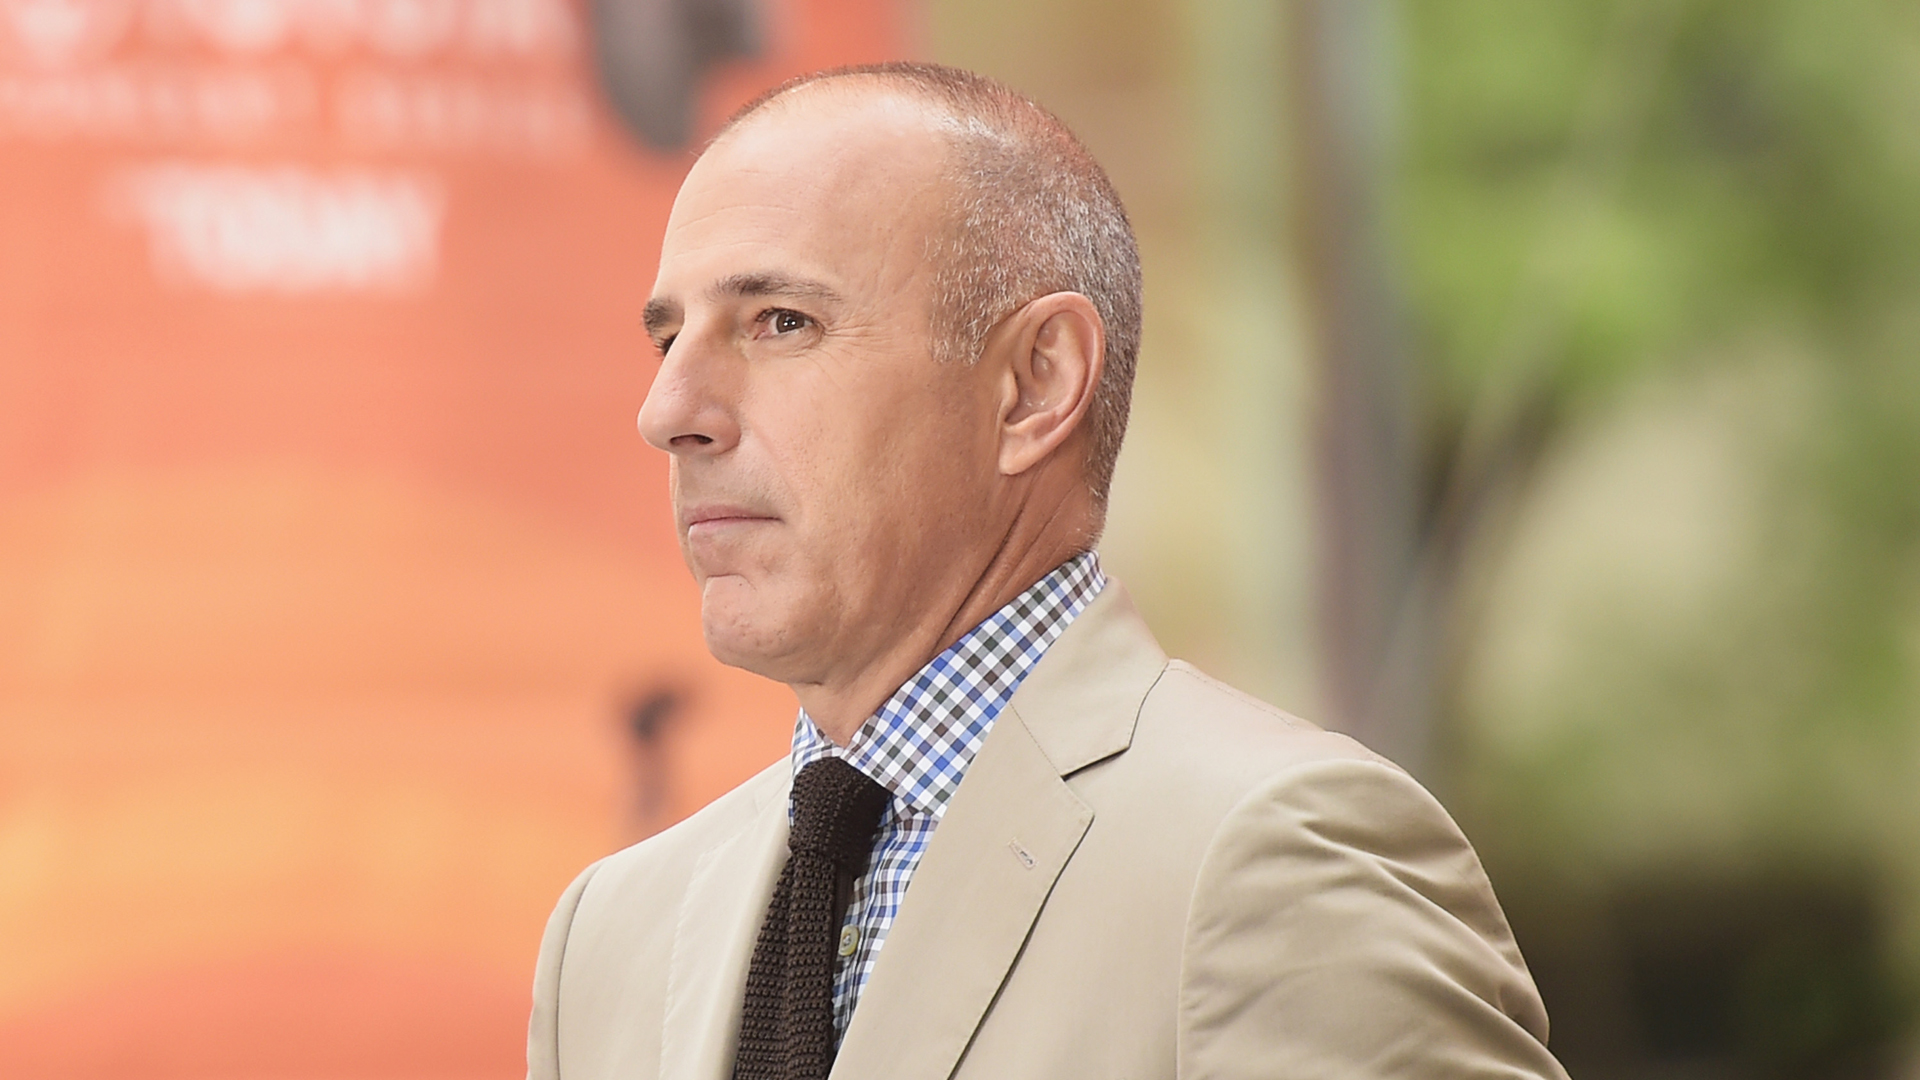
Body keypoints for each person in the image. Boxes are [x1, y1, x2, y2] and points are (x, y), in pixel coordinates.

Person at [527, 62, 1568, 1080]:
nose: (667, 412)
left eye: (780, 322)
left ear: (1036, 383)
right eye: (667, 338)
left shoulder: (1278, 863)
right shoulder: (611, 939)